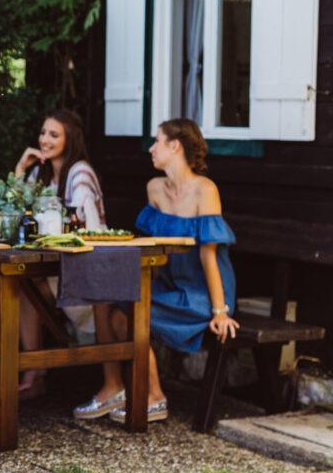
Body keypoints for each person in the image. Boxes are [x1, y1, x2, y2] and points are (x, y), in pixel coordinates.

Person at [76, 118, 239, 423]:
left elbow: (209, 256)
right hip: (166, 283)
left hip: (201, 292)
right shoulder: (154, 188)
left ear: (175, 145)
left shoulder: (205, 190)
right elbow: (147, 244)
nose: (151, 149)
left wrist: (220, 310)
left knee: (132, 313)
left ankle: (154, 397)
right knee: (106, 304)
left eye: (157, 141)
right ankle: (114, 387)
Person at [13, 110, 105, 396]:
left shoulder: (80, 174)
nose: (44, 140)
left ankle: (35, 367)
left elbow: (86, 229)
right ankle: (34, 367)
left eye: (54, 134)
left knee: (24, 285)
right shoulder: (41, 173)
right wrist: (19, 171)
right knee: (20, 283)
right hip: (55, 266)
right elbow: (16, 215)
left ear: (70, 139)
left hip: (87, 271)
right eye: (43, 133)